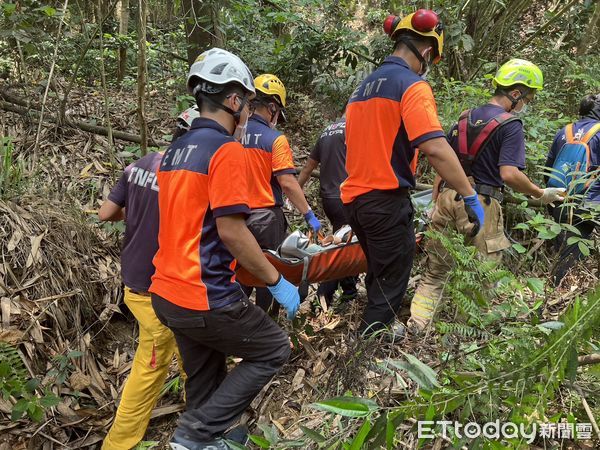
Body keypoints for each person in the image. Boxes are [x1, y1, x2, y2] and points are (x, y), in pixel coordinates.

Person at [149, 48, 300, 450]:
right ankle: (194, 434)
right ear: (233, 101)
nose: (248, 112)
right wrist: (276, 281)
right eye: (247, 103)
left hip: (166, 292)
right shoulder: (225, 150)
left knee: (205, 376)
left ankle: (210, 439)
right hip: (205, 294)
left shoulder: (172, 153)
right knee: (272, 349)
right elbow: (232, 232)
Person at [341, 9, 485, 338]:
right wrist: (468, 193)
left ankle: (378, 334)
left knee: (381, 270)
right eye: (430, 58)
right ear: (426, 51)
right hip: (384, 201)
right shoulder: (412, 85)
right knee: (391, 283)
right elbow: (435, 147)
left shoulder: (361, 89)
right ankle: (364, 360)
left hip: (355, 201)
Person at [410, 58, 565, 330]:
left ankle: (417, 325)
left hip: (447, 196)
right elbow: (509, 174)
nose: (527, 103)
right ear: (515, 94)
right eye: (528, 98)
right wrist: (539, 192)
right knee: (480, 274)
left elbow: (442, 162)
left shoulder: (464, 118)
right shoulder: (510, 125)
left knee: (435, 272)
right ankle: (461, 338)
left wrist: (435, 201)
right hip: (481, 204)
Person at [98, 152, 185, 449]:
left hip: (136, 278)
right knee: (152, 362)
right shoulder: (184, 173)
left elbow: (105, 213)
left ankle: (201, 405)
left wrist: (135, 214)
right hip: (157, 284)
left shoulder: (139, 165)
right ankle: (118, 443)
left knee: (193, 341)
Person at [239, 73, 321, 314]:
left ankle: (238, 326)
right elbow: (287, 181)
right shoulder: (274, 139)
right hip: (265, 219)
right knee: (268, 275)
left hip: (234, 217)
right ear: (272, 107)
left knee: (241, 273)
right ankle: (266, 325)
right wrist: (309, 215)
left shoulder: (233, 135)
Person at [298, 114, 358, 306]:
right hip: (346, 197)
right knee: (345, 245)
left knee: (344, 241)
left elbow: (308, 167)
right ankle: (326, 293)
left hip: (329, 199)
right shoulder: (353, 129)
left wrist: (296, 191)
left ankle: (348, 289)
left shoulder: (326, 131)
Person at [545, 93, 600, 286]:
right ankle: (558, 294)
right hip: (589, 202)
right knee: (571, 254)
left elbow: (549, 167)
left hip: (560, 198)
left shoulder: (564, 131)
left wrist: (550, 200)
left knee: (565, 247)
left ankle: (556, 290)